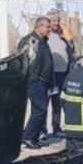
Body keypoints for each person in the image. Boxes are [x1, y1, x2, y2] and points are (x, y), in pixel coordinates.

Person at [19, 17, 54, 149]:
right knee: (40, 109)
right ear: (39, 27)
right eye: (47, 27)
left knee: (39, 110)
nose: (49, 29)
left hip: (43, 81)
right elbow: (28, 62)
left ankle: (34, 137)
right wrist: (34, 78)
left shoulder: (43, 41)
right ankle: (27, 136)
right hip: (34, 81)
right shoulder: (31, 41)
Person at [46, 11, 77, 140]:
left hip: (62, 74)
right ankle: (42, 130)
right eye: (53, 20)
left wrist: (69, 40)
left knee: (57, 103)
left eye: (57, 20)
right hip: (49, 74)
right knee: (44, 103)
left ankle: (56, 128)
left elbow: (72, 51)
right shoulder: (45, 37)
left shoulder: (63, 36)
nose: (56, 23)